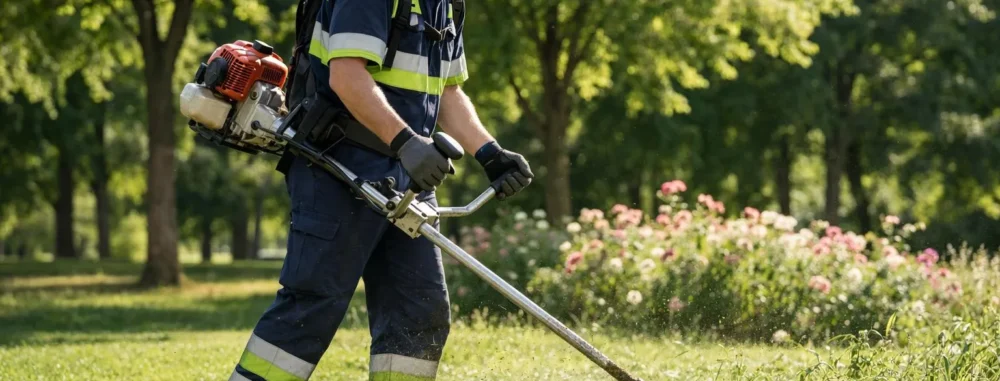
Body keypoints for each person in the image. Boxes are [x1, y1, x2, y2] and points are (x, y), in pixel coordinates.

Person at [228, 0, 534, 380]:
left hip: (409, 177)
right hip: (339, 164)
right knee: (312, 307)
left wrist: (489, 153)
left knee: (418, 312)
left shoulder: (447, 5)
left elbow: (446, 92)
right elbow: (346, 76)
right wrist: (406, 143)